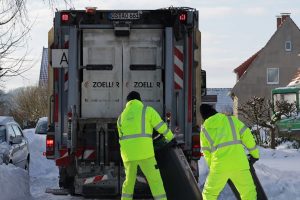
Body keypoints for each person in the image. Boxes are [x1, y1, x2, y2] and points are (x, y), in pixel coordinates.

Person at [117, 91, 174, 200]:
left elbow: (121, 138)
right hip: (146, 154)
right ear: (139, 100)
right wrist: (171, 138)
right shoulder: (147, 111)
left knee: (128, 184)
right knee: (155, 181)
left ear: (127, 102)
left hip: (128, 156)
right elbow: (161, 127)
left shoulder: (121, 117)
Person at [199, 104, 259, 200]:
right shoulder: (231, 120)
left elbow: (206, 152)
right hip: (239, 164)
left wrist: (213, 167)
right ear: (214, 111)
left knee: (209, 194)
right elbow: (247, 135)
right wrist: (255, 154)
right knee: (248, 192)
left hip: (219, 166)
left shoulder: (204, 129)